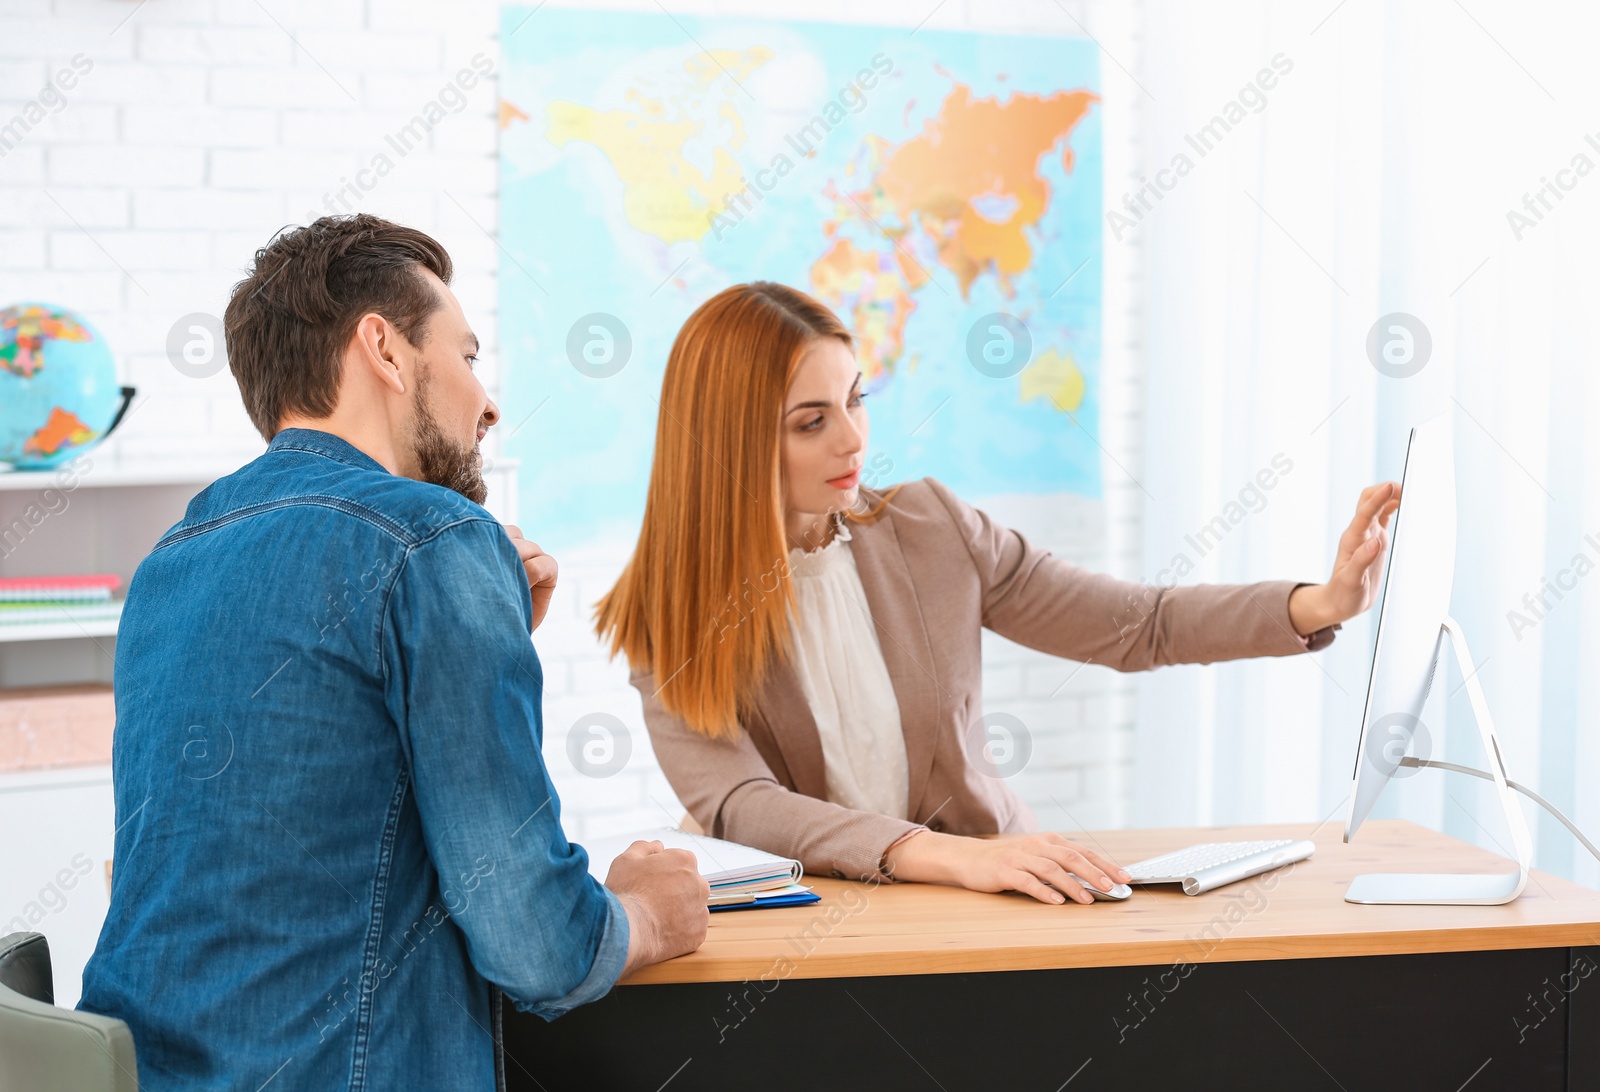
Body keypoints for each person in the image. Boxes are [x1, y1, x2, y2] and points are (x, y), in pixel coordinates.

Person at [78, 215, 708, 1091]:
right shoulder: (434, 536)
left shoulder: (173, 559)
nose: (488, 403)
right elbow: (537, 947)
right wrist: (648, 912)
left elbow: (279, 825)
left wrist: (465, 640)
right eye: (468, 355)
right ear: (385, 348)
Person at [595, 281, 1398, 906]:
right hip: (817, 922)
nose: (853, 439)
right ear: (731, 440)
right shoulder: (673, 609)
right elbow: (742, 806)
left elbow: (1134, 624)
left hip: (991, 896)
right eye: (811, 422)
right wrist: (942, 856)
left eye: (855, 400)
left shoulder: (928, 525)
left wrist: (1317, 604)